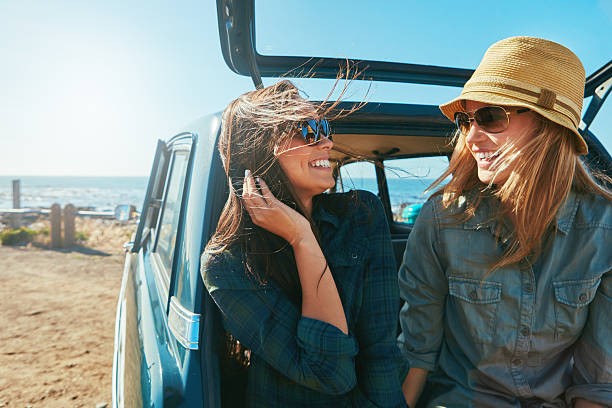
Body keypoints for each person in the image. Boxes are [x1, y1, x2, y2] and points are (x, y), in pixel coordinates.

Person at [398, 36, 612, 407]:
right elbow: (417, 355)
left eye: (491, 117)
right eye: (466, 121)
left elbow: (597, 384)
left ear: (548, 127)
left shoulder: (604, 230)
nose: (472, 137)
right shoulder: (441, 220)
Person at [201, 80, 408, 407]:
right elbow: (329, 373)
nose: (326, 142)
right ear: (257, 149)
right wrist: (302, 239)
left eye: (324, 127)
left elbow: (381, 352)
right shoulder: (227, 263)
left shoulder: (361, 215)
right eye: (308, 130)